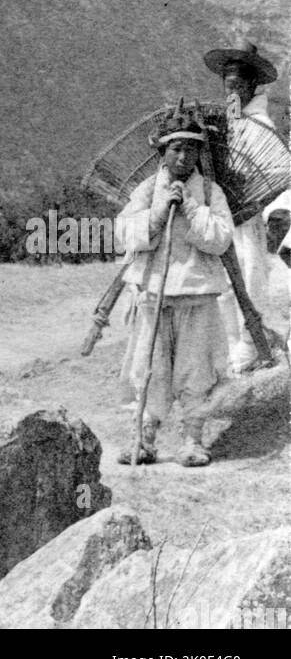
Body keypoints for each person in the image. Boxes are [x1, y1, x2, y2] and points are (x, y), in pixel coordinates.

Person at [114, 105, 235, 468]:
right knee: (149, 366)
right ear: (162, 152)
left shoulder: (212, 193)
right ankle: (144, 439)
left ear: (200, 153)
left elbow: (220, 239)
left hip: (197, 296)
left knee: (194, 369)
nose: (183, 156)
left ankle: (193, 441)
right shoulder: (147, 190)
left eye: (191, 149)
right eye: (175, 148)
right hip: (153, 294)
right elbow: (125, 235)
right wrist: (156, 213)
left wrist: (192, 209)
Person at [203, 40, 286, 373]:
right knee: (223, 284)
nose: (232, 90)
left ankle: (250, 347)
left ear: (253, 85)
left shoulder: (260, 125)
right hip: (224, 216)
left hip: (247, 216)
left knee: (248, 278)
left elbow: (278, 171)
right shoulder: (230, 119)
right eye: (227, 84)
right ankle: (237, 345)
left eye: (238, 84)